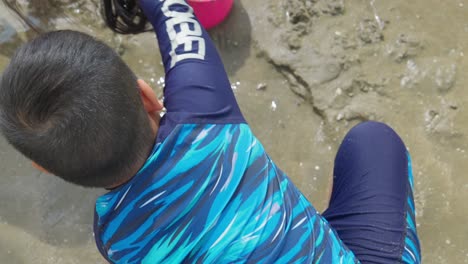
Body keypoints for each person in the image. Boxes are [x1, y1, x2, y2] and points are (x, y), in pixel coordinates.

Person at [0, 0, 421, 263]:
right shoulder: (206, 115)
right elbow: (173, 12)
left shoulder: (114, 238)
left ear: (44, 168)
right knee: (373, 141)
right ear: (147, 96)